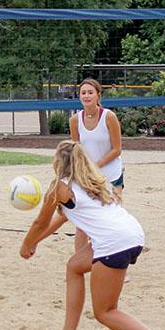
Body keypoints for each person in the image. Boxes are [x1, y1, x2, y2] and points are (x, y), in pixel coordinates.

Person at [19, 140, 165, 330]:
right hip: (132, 233)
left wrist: (26, 245)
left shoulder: (59, 187)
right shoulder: (93, 183)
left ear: (57, 163)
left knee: (105, 312)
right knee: (74, 266)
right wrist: (34, 243)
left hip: (114, 241)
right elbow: (60, 219)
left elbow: (40, 223)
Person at [69, 78, 124, 259]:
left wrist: (96, 165)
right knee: (82, 222)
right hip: (87, 176)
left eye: (90, 92)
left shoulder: (109, 116)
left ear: (98, 95)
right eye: (83, 93)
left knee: (112, 218)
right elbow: (76, 150)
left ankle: (119, 263)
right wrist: (80, 171)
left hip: (111, 173)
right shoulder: (75, 120)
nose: (86, 95)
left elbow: (117, 149)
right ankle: (81, 262)